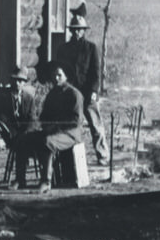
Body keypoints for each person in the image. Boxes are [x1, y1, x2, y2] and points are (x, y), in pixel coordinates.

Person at [61, 14, 109, 164]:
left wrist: (93, 91)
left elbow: (96, 73)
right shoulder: (63, 49)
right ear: (70, 30)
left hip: (88, 94)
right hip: (71, 95)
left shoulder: (91, 48)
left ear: (83, 31)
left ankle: (103, 156)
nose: (76, 32)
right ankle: (69, 158)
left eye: (79, 29)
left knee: (96, 125)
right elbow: (59, 72)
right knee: (70, 126)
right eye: (74, 29)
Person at [33, 63, 86, 192]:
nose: (56, 78)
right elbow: (44, 116)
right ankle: (20, 180)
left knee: (48, 142)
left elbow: (76, 121)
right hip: (54, 132)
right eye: (54, 75)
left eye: (59, 75)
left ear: (66, 76)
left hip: (71, 134)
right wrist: (45, 125)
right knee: (27, 138)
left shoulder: (74, 94)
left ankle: (46, 181)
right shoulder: (52, 94)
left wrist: (55, 126)